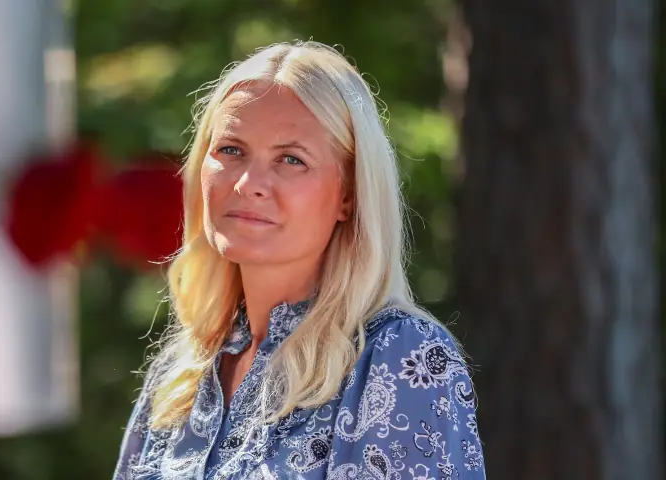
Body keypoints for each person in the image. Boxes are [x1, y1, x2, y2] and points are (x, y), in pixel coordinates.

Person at [113, 40, 485, 479]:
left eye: (291, 159)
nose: (249, 183)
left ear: (349, 194)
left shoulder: (398, 358)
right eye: (231, 149)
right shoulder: (180, 374)